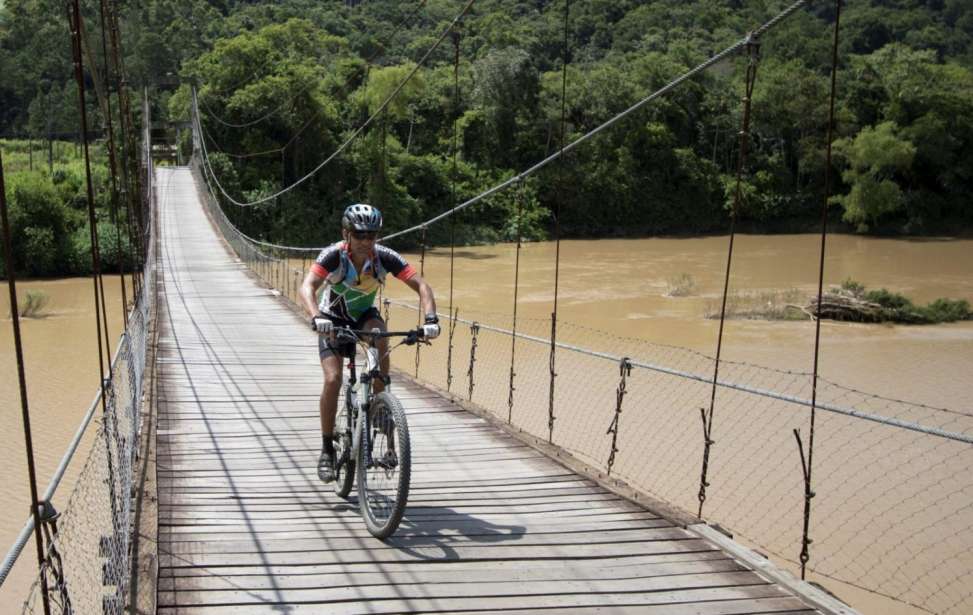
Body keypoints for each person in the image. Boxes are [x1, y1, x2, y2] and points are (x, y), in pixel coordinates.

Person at [299, 203, 439, 483]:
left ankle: (380, 403)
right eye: (359, 235)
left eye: (372, 235)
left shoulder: (384, 257)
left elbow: (422, 286)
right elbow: (307, 286)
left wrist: (431, 320)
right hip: (332, 319)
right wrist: (316, 317)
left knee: (379, 332)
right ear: (346, 233)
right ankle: (327, 449)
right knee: (333, 379)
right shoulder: (333, 255)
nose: (366, 241)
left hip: (364, 317)